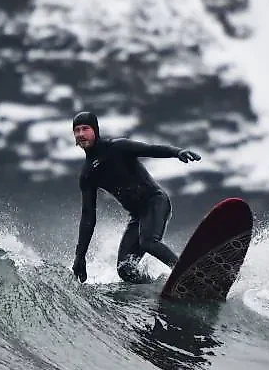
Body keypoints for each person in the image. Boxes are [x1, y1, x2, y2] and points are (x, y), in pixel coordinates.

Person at [70, 110, 201, 283]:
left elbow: (151, 149)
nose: (80, 134)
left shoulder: (118, 147)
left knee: (148, 242)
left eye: (85, 128)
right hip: (137, 216)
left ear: (95, 129)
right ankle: (155, 287)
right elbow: (88, 217)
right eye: (76, 130)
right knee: (124, 269)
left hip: (155, 201)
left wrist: (177, 152)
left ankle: (188, 273)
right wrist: (80, 256)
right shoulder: (87, 174)